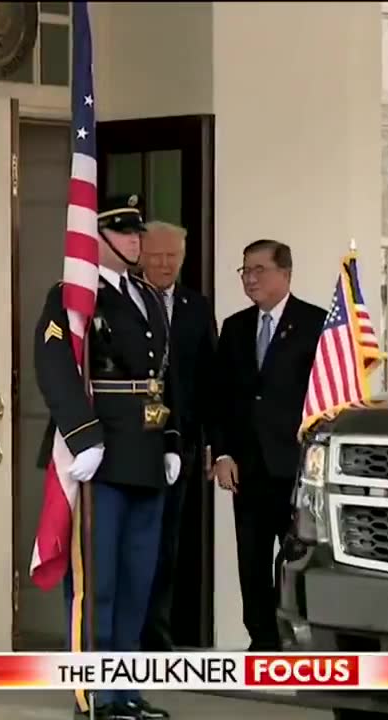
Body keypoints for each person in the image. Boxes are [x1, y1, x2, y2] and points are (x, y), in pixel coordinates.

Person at [34, 195, 180, 720]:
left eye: (138, 231)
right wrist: (81, 435)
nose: (136, 240)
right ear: (95, 236)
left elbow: (164, 376)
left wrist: (172, 440)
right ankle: (92, 693)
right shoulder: (74, 294)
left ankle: (126, 690)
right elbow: (54, 365)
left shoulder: (144, 295)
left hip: (144, 454)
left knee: (139, 582)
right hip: (100, 456)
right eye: (122, 231)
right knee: (97, 585)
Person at [211, 239, 325, 651]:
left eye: (260, 269)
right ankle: (261, 643)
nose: (251, 278)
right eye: (245, 271)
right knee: (252, 563)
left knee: (297, 560)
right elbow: (220, 396)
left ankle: (298, 644)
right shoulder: (236, 327)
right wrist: (222, 453)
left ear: (286, 274)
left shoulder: (316, 323)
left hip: (296, 468)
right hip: (248, 467)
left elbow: (327, 400)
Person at [138, 221, 217, 653]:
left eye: (173, 257)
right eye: (157, 255)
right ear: (141, 255)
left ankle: (158, 638)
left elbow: (209, 378)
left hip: (181, 442)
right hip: (133, 441)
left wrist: (210, 443)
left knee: (168, 544)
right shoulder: (124, 301)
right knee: (135, 542)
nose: (165, 264)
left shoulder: (196, 306)